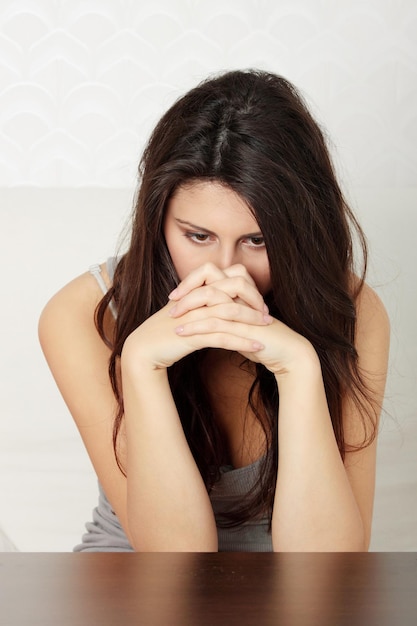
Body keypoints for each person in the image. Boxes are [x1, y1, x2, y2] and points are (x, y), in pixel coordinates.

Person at [39, 69, 390, 552]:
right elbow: (175, 564)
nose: (225, 272)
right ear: (158, 219)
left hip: (294, 597)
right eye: (197, 237)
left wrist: (298, 368)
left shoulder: (352, 311)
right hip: (138, 581)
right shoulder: (85, 315)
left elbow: (329, 572)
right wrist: (141, 363)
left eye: (257, 240)